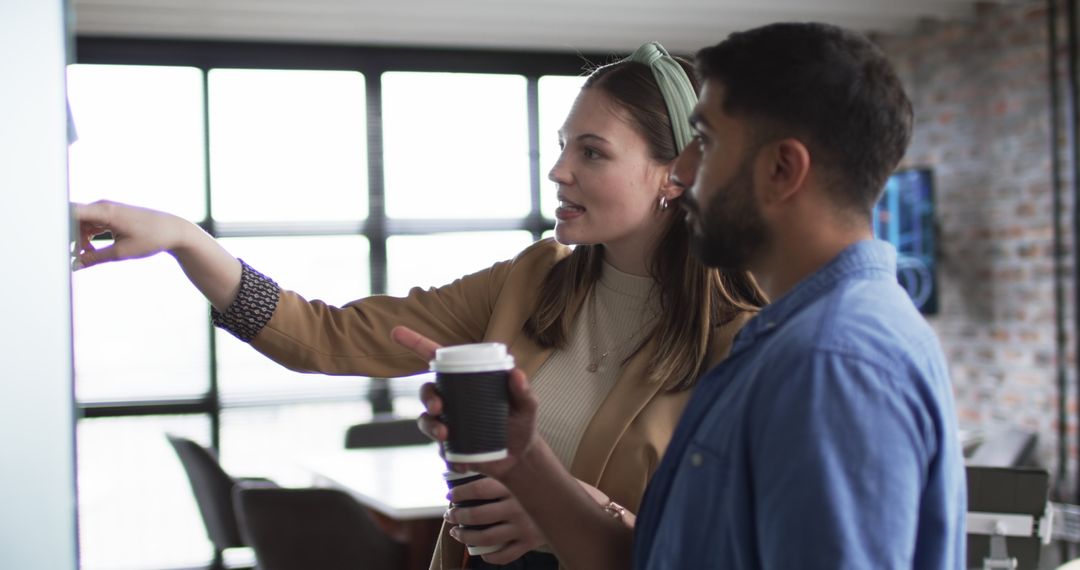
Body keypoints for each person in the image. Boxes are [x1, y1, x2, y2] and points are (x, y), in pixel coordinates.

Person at [72, 42, 766, 569]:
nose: (559, 171)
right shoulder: (532, 279)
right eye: (562, 148)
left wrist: (567, 515)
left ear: (673, 174)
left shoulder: (745, 340)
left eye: (592, 153)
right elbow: (327, 336)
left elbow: (726, 546)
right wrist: (186, 241)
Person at [408, 22, 967, 569]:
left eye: (706, 141)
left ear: (782, 169)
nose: (683, 169)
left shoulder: (831, 362)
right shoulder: (789, 339)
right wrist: (525, 457)